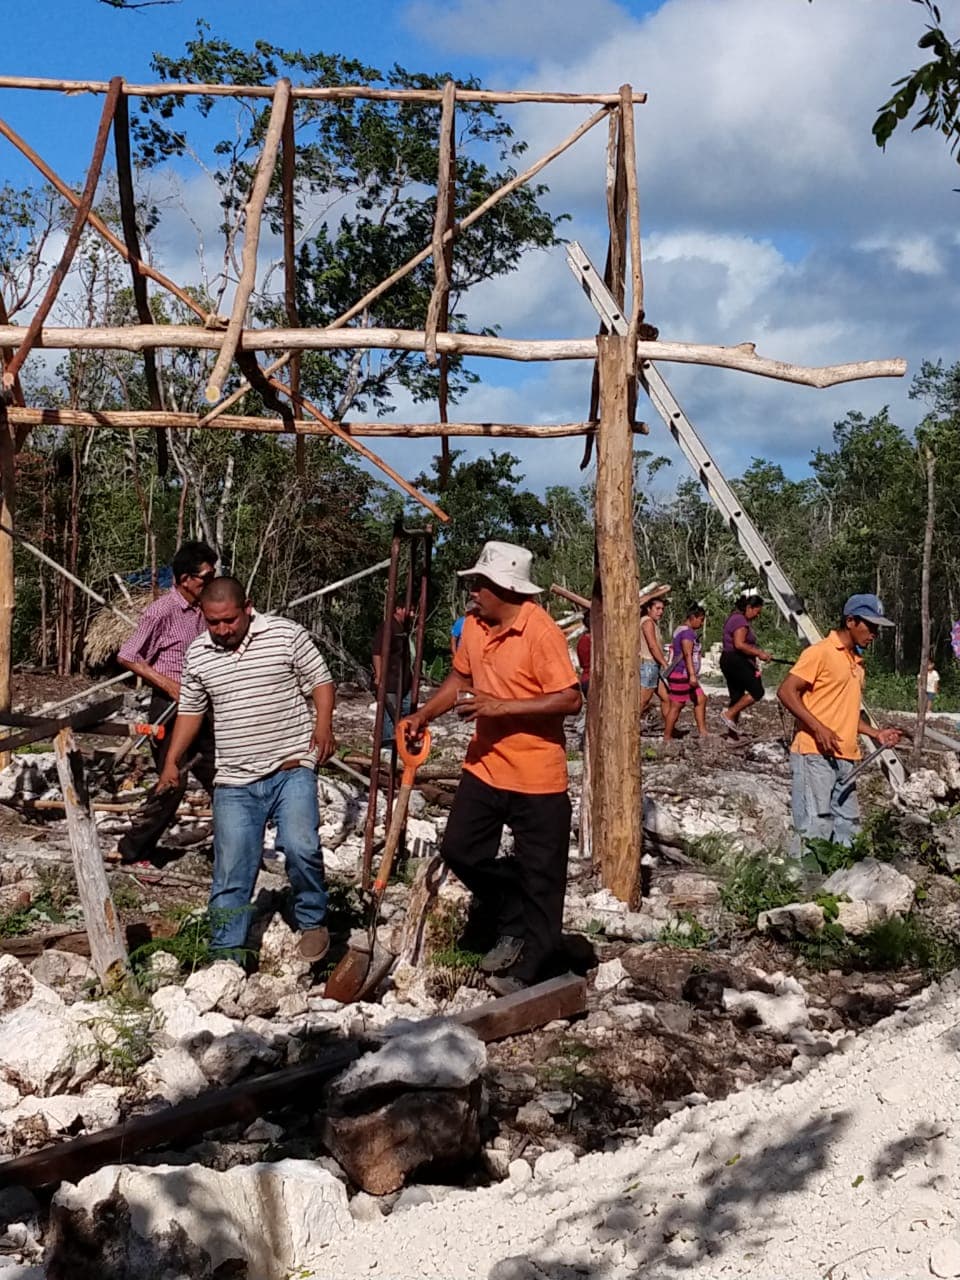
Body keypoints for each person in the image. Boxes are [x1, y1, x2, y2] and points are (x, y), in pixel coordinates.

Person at [403, 540, 582, 996]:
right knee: (461, 850)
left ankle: (534, 965)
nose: (474, 592)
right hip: (485, 765)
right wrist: (424, 714)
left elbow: (569, 699)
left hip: (537, 774)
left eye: (481, 584)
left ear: (506, 588)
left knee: (543, 875)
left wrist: (503, 707)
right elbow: (460, 680)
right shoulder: (474, 629)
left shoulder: (542, 633)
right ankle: (508, 908)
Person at [157, 577, 336, 961]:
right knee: (232, 867)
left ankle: (312, 920)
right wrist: (172, 761)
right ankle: (226, 954)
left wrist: (323, 725)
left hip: (291, 766)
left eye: (229, 621)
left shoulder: (286, 635)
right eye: (213, 622)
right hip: (235, 781)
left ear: (248, 608)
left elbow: (321, 680)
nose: (222, 630)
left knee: (301, 845)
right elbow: (191, 711)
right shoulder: (199, 654)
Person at [114, 541, 218, 864]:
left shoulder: (207, 609)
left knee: (221, 776)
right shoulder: (162, 611)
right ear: (185, 579)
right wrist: (167, 683)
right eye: (205, 578)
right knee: (173, 781)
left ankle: (230, 847)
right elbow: (128, 655)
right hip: (170, 708)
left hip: (202, 705)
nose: (210, 584)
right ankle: (132, 848)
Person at [777, 593, 902, 849]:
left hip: (846, 758)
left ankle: (837, 886)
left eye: (877, 628)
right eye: (870, 626)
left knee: (849, 829)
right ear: (850, 621)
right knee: (815, 827)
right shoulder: (820, 653)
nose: (874, 634)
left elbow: (845, 713)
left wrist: (875, 733)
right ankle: (802, 885)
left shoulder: (857, 664)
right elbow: (786, 691)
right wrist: (817, 727)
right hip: (814, 754)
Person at [719, 593, 774, 735]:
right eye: (757, 611)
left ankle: (732, 734)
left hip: (729, 660)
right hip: (735, 660)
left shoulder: (734, 617)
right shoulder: (740, 620)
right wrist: (759, 653)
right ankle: (729, 714)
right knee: (757, 691)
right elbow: (739, 644)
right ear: (749, 607)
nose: (758, 615)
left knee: (737, 697)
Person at [663, 603, 709, 739]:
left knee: (701, 698)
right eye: (700, 620)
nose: (701, 623)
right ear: (693, 617)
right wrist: (692, 675)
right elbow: (687, 654)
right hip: (682, 674)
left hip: (687, 674)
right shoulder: (687, 633)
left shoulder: (682, 630)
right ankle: (667, 736)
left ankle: (703, 732)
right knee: (677, 705)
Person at [372, 602, 412, 747]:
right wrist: (379, 676)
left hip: (404, 680)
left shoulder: (404, 628)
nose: (412, 615)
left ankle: (402, 742)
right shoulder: (387, 627)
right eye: (409, 610)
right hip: (390, 680)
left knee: (407, 708)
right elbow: (377, 652)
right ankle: (388, 747)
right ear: (398, 609)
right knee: (390, 714)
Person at [639, 597, 671, 724]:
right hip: (649, 665)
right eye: (657, 608)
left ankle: (669, 728)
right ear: (648, 609)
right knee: (643, 700)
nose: (660, 612)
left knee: (666, 697)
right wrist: (664, 663)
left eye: (662, 609)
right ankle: (630, 728)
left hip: (654, 665)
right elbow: (652, 646)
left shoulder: (652, 623)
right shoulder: (647, 623)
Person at [576, 610, 591, 696]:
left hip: (585, 679)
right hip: (593, 679)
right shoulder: (594, 641)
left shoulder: (582, 640)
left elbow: (582, 663)